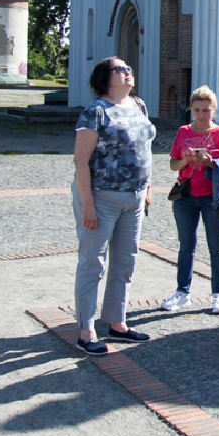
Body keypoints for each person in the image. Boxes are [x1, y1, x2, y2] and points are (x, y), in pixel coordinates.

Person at [72, 55, 156, 356]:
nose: (128, 73)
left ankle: (117, 323)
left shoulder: (139, 105)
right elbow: (81, 160)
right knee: (93, 263)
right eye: (121, 70)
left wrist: (148, 187)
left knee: (125, 261)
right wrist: (87, 206)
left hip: (133, 198)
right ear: (105, 77)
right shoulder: (95, 111)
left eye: (129, 69)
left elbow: (144, 149)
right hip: (101, 197)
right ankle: (86, 331)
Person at [161, 85, 219, 316]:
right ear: (190, 110)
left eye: (206, 110)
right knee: (186, 246)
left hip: (212, 197)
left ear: (214, 110)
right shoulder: (183, 132)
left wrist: (210, 162)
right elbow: (173, 164)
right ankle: (183, 292)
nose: (202, 115)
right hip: (186, 196)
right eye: (197, 110)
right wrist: (185, 160)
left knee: (217, 247)